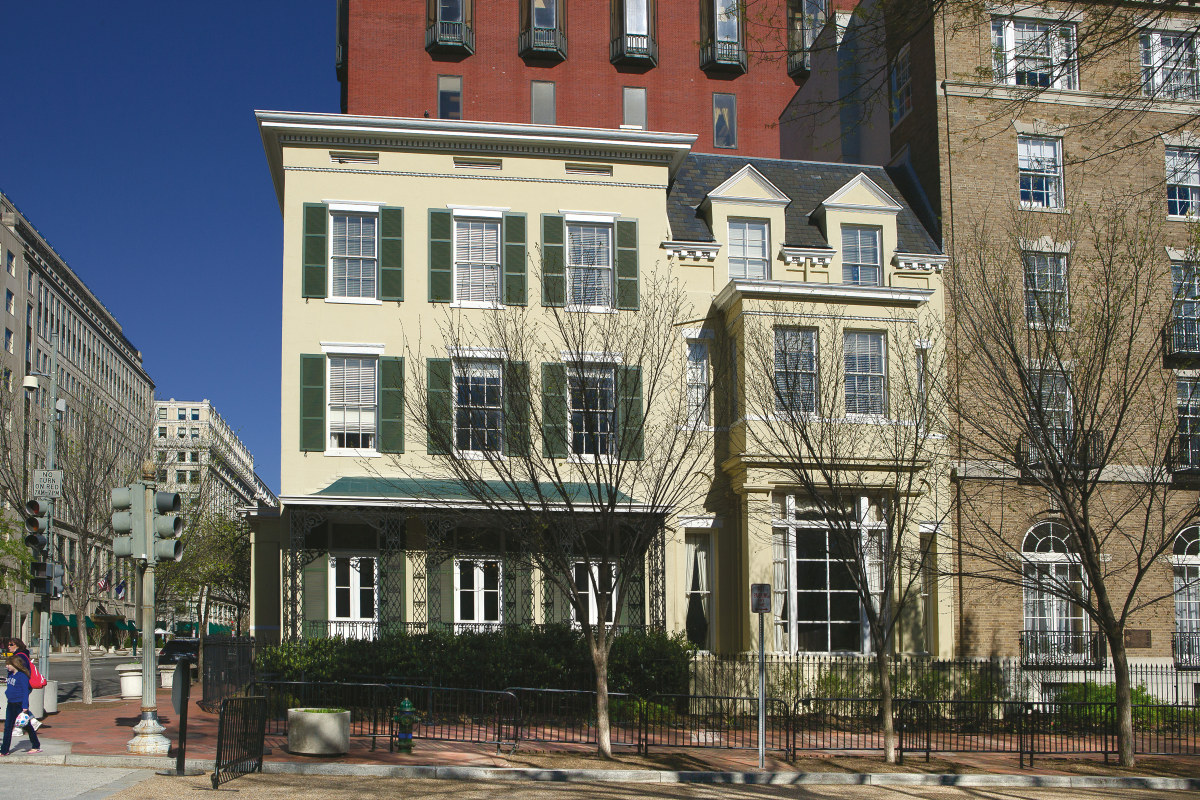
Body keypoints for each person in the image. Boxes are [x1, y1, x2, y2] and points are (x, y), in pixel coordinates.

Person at [1, 655, 40, 755]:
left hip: (19, 705)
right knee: (8, 727)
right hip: (10, 704)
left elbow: (25, 691)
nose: (7, 666)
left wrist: (25, 706)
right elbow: (11, 684)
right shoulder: (10, 675)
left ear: (15, 664)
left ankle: (36, 745)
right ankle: (4, 750)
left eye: (9, 664)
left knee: (27, 726)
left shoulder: (22, 676)